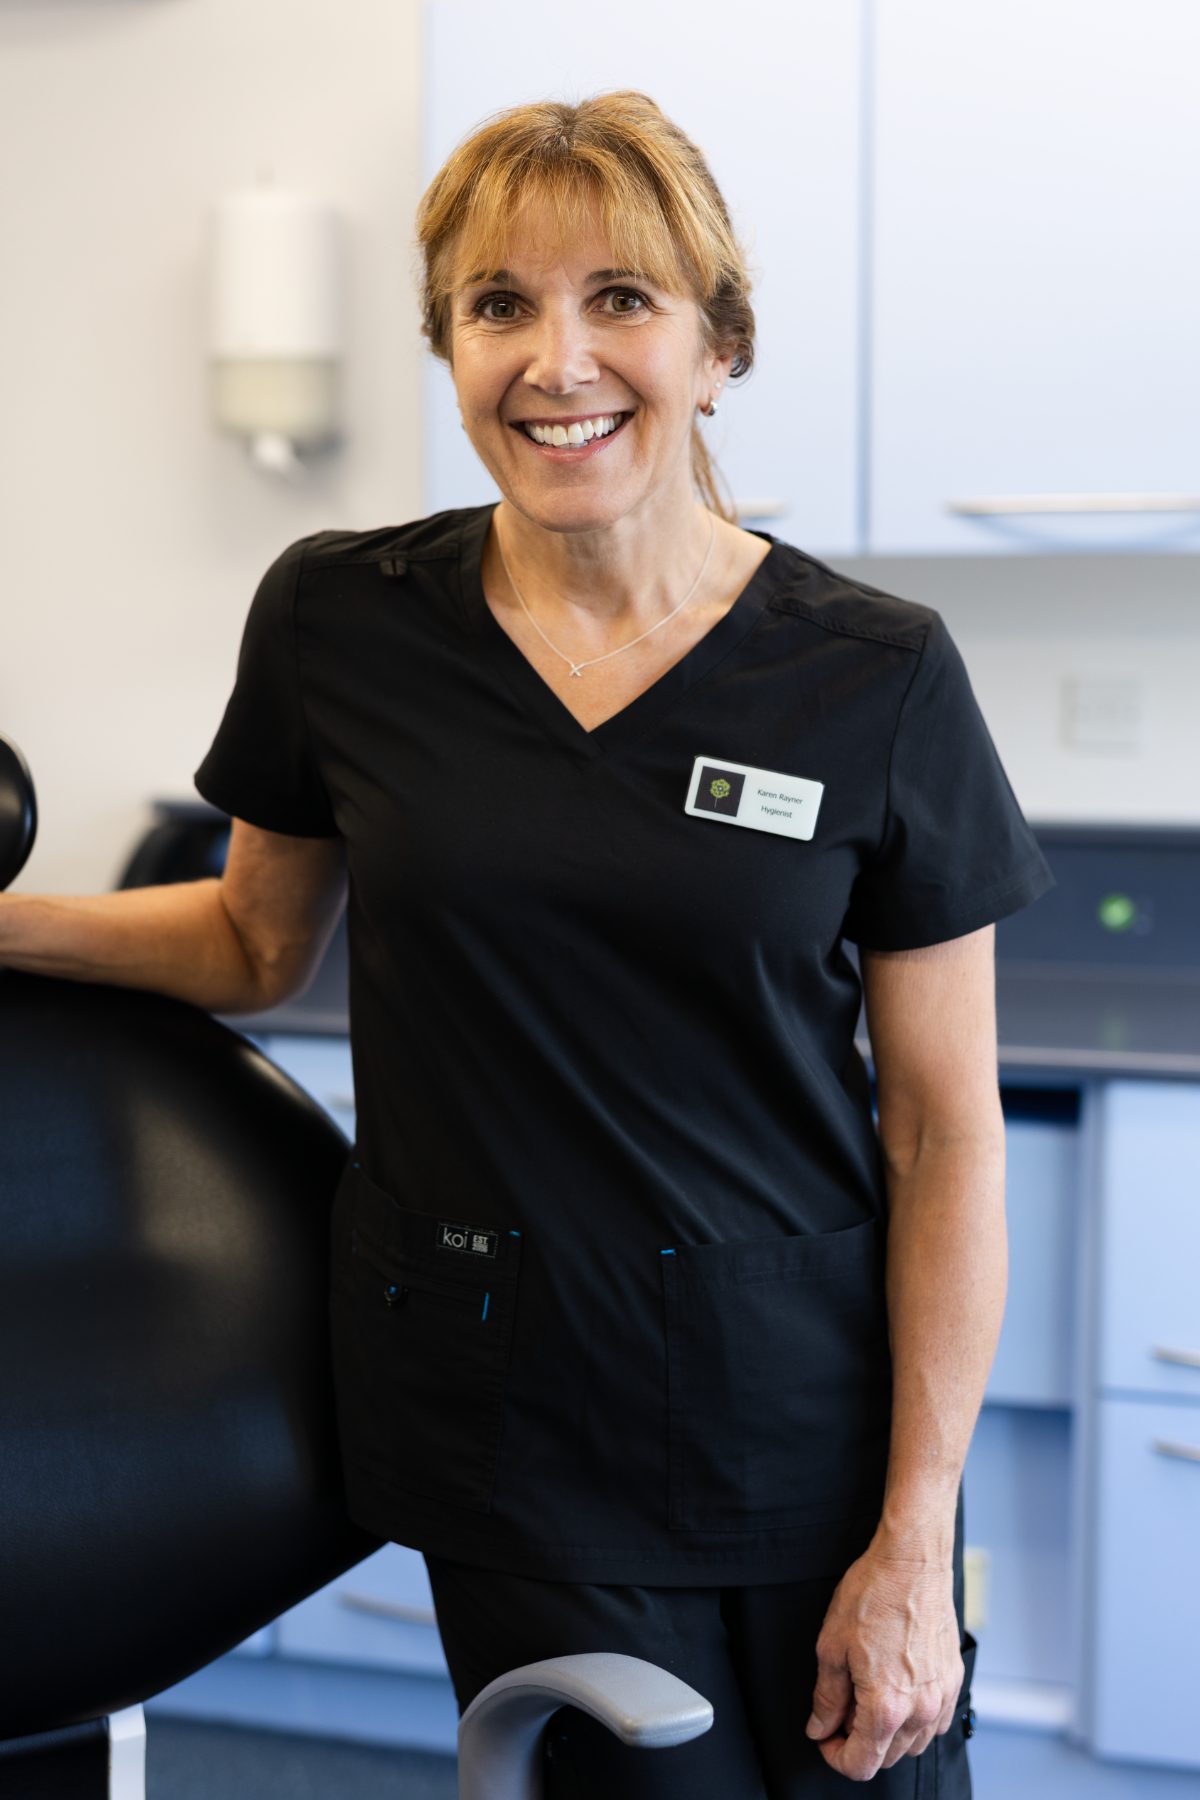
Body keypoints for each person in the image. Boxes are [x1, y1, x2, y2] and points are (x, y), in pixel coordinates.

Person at [1, 90, 1055, 1797]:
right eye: (500, 306)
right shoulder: (346, 621)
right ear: (451, 348)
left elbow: (945, 1132)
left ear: (720, 350)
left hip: (810, 1416)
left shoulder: (874, 677)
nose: (557, 361)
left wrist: (914, 1540)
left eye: (620, 299)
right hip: (507, 1414)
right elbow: (256, 942)